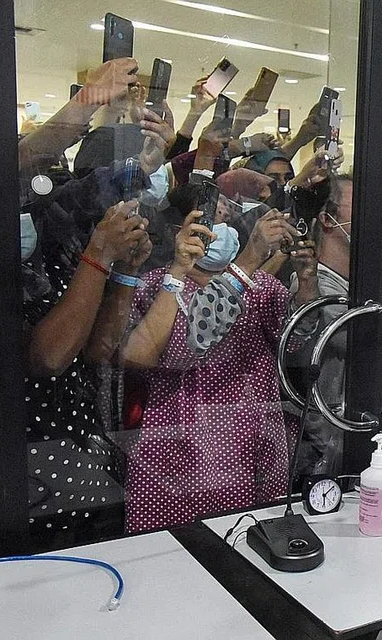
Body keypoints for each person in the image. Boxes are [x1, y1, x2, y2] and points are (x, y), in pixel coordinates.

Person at [121, 207, 314, 533]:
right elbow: (183, 348)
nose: (217, 232)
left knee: (252, 543)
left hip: (250, 441)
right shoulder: (159, 286)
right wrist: (250, 259)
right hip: (180, 443)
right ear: (177, 233)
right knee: (169, 551)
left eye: (227, 220)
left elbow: (293, 344)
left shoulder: (265, 287)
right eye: (208, 223)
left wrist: (308, 283)